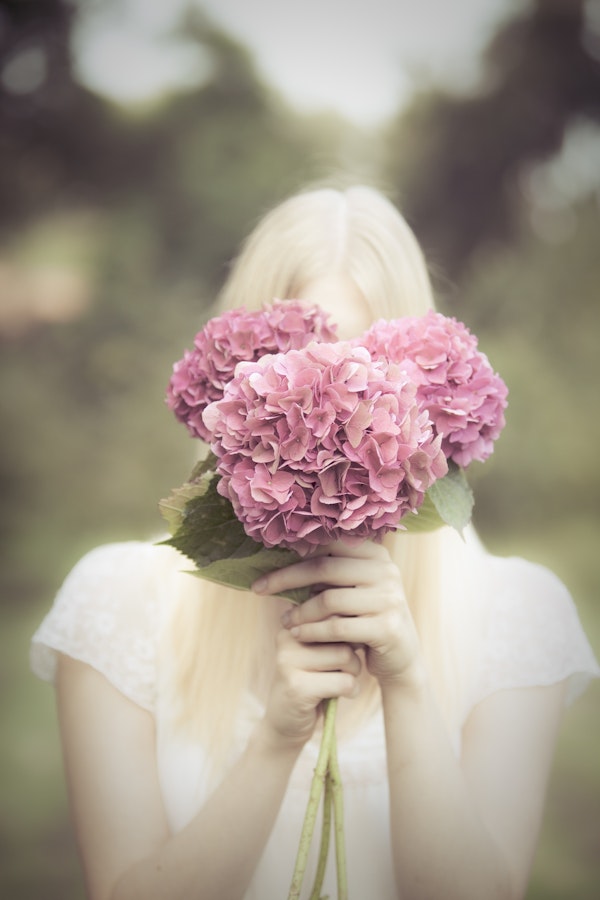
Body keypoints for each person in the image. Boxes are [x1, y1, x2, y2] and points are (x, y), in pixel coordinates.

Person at [31, 184, 599, 900]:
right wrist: (274, 741)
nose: (332, 404)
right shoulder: (117, 600)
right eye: (299, 367)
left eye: (365, 367)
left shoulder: (518, 614)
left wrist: (407, 684)